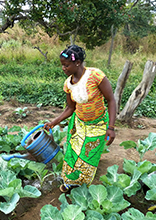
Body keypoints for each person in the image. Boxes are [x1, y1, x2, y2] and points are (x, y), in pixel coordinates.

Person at [44, 45, 116, 193]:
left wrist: (111, 127)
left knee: (87, 158)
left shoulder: (95, 76)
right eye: (62, 65)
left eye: (66, 65)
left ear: (77, 63)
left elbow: (111, 100)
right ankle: (70, 182)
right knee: (72, 154)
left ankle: (81, 188)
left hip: (98, 124)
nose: (63, 68)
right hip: (79, 123)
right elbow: (70, 108)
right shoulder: (68, 84)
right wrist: (54, 122)